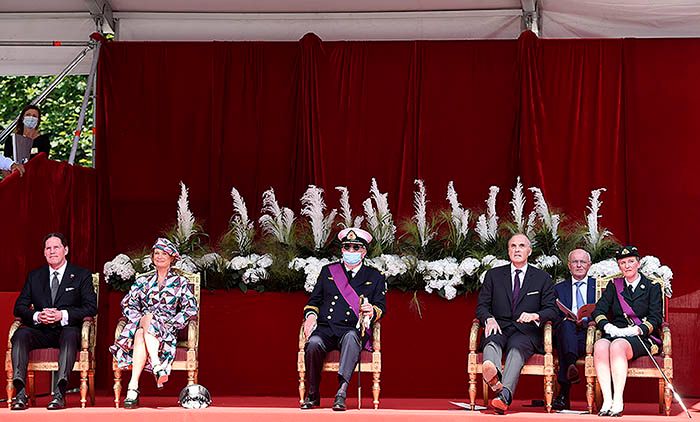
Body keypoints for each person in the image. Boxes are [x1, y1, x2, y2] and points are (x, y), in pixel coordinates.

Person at [300, 228, 386, 411]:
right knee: (313, 343)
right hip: (326, 328)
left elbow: (381, 307)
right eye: (347, 247)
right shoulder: (328, 272)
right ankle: (313, 394)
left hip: (352, 329)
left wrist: (371, 310)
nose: (351, 251)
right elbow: (313, 301)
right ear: (342, 250)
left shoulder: (375, 276)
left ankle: (341, 392)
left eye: (356, 248)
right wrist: (310, 317)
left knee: (350, 338)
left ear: (363, 252)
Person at [10, 233, 97, 410]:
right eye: (48, 248)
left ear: (66, 250)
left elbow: (90, 307)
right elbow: (19, 307)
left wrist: (62, 315)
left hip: (67, 330)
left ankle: (59, 393)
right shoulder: (35, 276)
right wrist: (37, 316)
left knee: (71, 334)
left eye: (56, 247)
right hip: (41, 330)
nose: (52, 251)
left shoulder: (81, 275)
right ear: (44, 253)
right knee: (20, 334)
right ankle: (20, 393)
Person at [110, 238, 198, 409]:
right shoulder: (143, 281)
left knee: (140, 334)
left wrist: (173, 322)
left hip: (166, 329)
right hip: (143, 322)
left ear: (172, 258)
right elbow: (127, 304)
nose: (159, 256)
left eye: (163, 253)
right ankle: (156, 366)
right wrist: (138, 319)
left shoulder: (180, 282)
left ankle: (133, 387)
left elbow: (191, 308)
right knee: (146, 320)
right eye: (156, 253)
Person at [475, 233, 558, 414]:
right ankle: (494, 376)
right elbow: (481, 306)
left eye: (521, 246)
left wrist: (535, 315)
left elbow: (552, 310)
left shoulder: (542, 278)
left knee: (516, 349)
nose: (517, 249)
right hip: (499, 325)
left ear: (529, 251)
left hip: (525, 331)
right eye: (513, 246)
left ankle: (503, 396)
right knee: (491, 339)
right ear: (508, 251)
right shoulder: (494, 275)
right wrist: (488, 318)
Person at [592, 246, 662, 417]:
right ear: (619, 267)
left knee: (617, 346)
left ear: (638, 264)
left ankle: (618, 400)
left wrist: (636, 330)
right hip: (616, 332)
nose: (627, 266)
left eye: (631, 261)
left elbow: (655, 318)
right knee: (600, 345)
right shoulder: (614, 286)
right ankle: (607, 400)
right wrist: (608, 327)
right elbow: (598, 311)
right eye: (623, 263)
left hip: (641, 336)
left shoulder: (652, 287)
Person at [552, 248, 596, 411]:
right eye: (575, 262)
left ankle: (563, 394)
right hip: (566, 331)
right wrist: (567, 319)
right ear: (569, 265)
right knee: (565, 325)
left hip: (590, 333)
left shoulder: (597, 286)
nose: (578, 265)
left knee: (567, 345)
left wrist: (587, 321)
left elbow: (606, 311)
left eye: (582, 262)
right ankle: (570, 366)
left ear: (589, 265)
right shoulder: (558, 288)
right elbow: (553, 314)